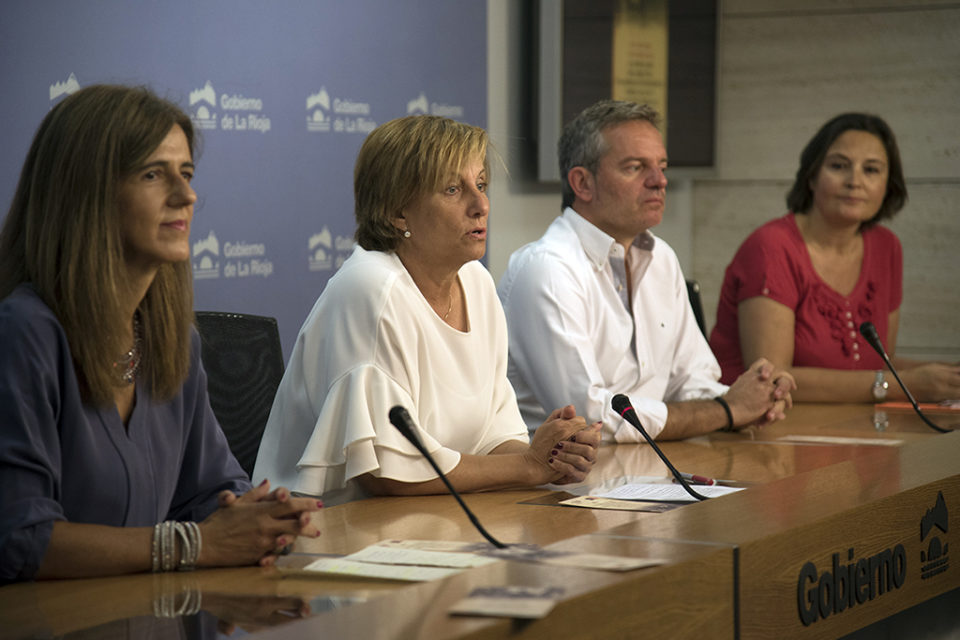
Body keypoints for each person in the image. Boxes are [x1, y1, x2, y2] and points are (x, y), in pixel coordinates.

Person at [0, 85, 321, 584]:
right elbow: (20, 538)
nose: (187, 195)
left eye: (187, 174)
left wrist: (259, 518)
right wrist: (194, 545)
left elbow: (208, 493)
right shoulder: (24, 334)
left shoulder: (173, 341)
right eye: (154, 174)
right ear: (84, 191)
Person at [253, 115, 601, 506]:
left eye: (481, 185)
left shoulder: (477, 283)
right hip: (331, 531)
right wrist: (529, 467)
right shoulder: (372, 288)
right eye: (453, 189)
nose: (481, 204)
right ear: (397, 212)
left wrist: (552, 457)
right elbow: (386, 473)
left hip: (435, 519)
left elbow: (492, 437)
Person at [498, 100, 794, 443]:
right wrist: (725, 411)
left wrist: (753, 398)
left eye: (662, 166)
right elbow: (587, 417)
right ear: (582, 183)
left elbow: (692, 378)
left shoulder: (661, 257)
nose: (660, 181)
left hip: (654, 462)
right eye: (636, 168)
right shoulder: (547, 269)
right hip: (562, 483)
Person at [709, 113, 960, 403]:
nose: (855, 181)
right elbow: (772, 379)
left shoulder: (886, 247)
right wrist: (908, 384)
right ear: (812, 176)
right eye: (839, 166)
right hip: (756, 430)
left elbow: (880, 364)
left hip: (850, 425)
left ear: (888, 185)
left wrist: (945, 377)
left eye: (871, 170)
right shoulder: (772, 247)